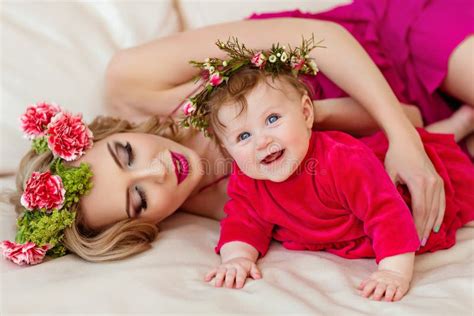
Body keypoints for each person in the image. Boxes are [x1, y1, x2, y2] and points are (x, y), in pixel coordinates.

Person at [104, 2, 473, 247]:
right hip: (424, 126)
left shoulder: (133, 80)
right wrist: (314, 119)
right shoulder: (232, 203)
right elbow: (413, 118)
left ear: (109, 133)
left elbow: (324, 40)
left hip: (393, 40)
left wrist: (403, 140)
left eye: (126, 153)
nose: (157, 171)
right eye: (139, 198)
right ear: (140, 228)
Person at [186, 43, 474, 301]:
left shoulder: (342, 161)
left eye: (272, 119)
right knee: (406, 143)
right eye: (243, 137)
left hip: (392, 183)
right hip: (369, 163)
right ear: (228, 152)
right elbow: (243, 220)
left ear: (306, 114)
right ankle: (457, 126)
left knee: (442, 156)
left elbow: (386, 212)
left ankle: (459, 125)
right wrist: (237, 258)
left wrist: (393, 272)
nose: (262, 141)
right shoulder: (249, 179)